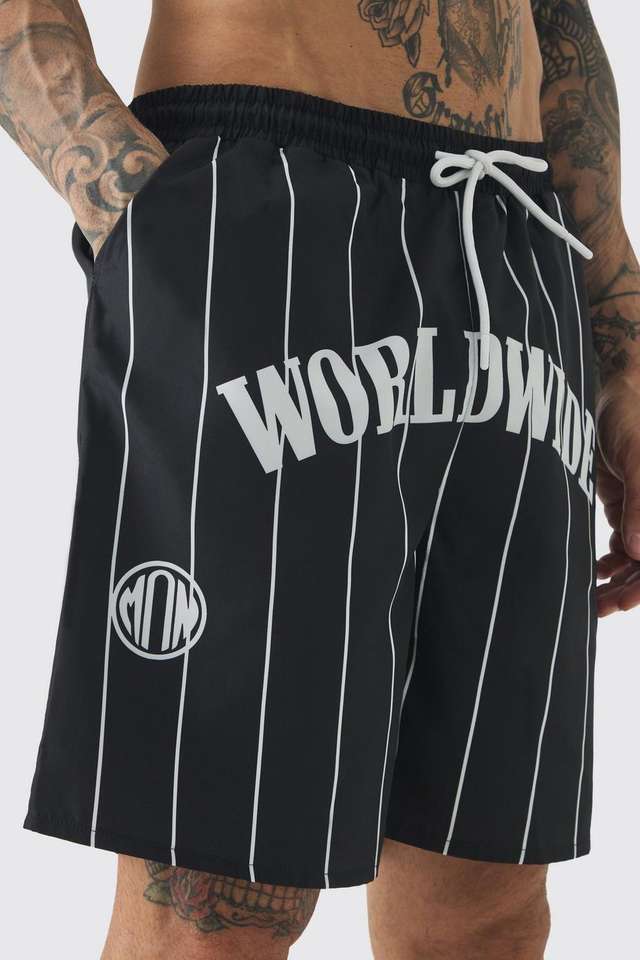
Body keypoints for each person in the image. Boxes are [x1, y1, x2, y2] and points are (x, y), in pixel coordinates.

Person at [2, 2, 638, 958]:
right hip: (268, 199)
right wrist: (136, 202)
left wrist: (622, 339)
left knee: (488, 903)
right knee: (219, 902)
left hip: (517, 233)